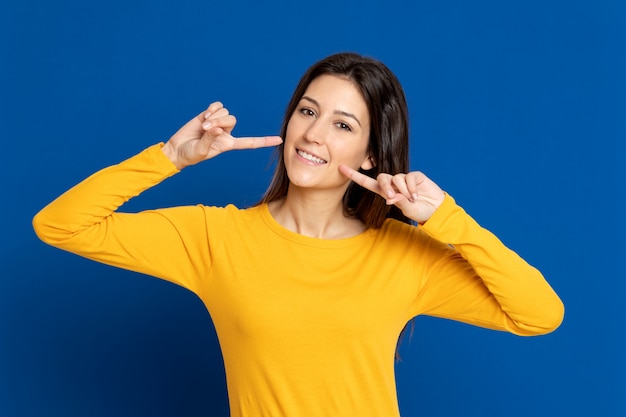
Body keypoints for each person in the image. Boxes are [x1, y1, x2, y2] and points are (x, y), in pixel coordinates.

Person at [33, 52, 564, 417]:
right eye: (308, 112)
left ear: (372, 156)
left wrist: (447, 219)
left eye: (343, 124)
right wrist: (170, 158)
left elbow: (539, 314)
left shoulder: (404, 254)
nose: (313, 133)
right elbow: (58, 225)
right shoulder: (215, 237)